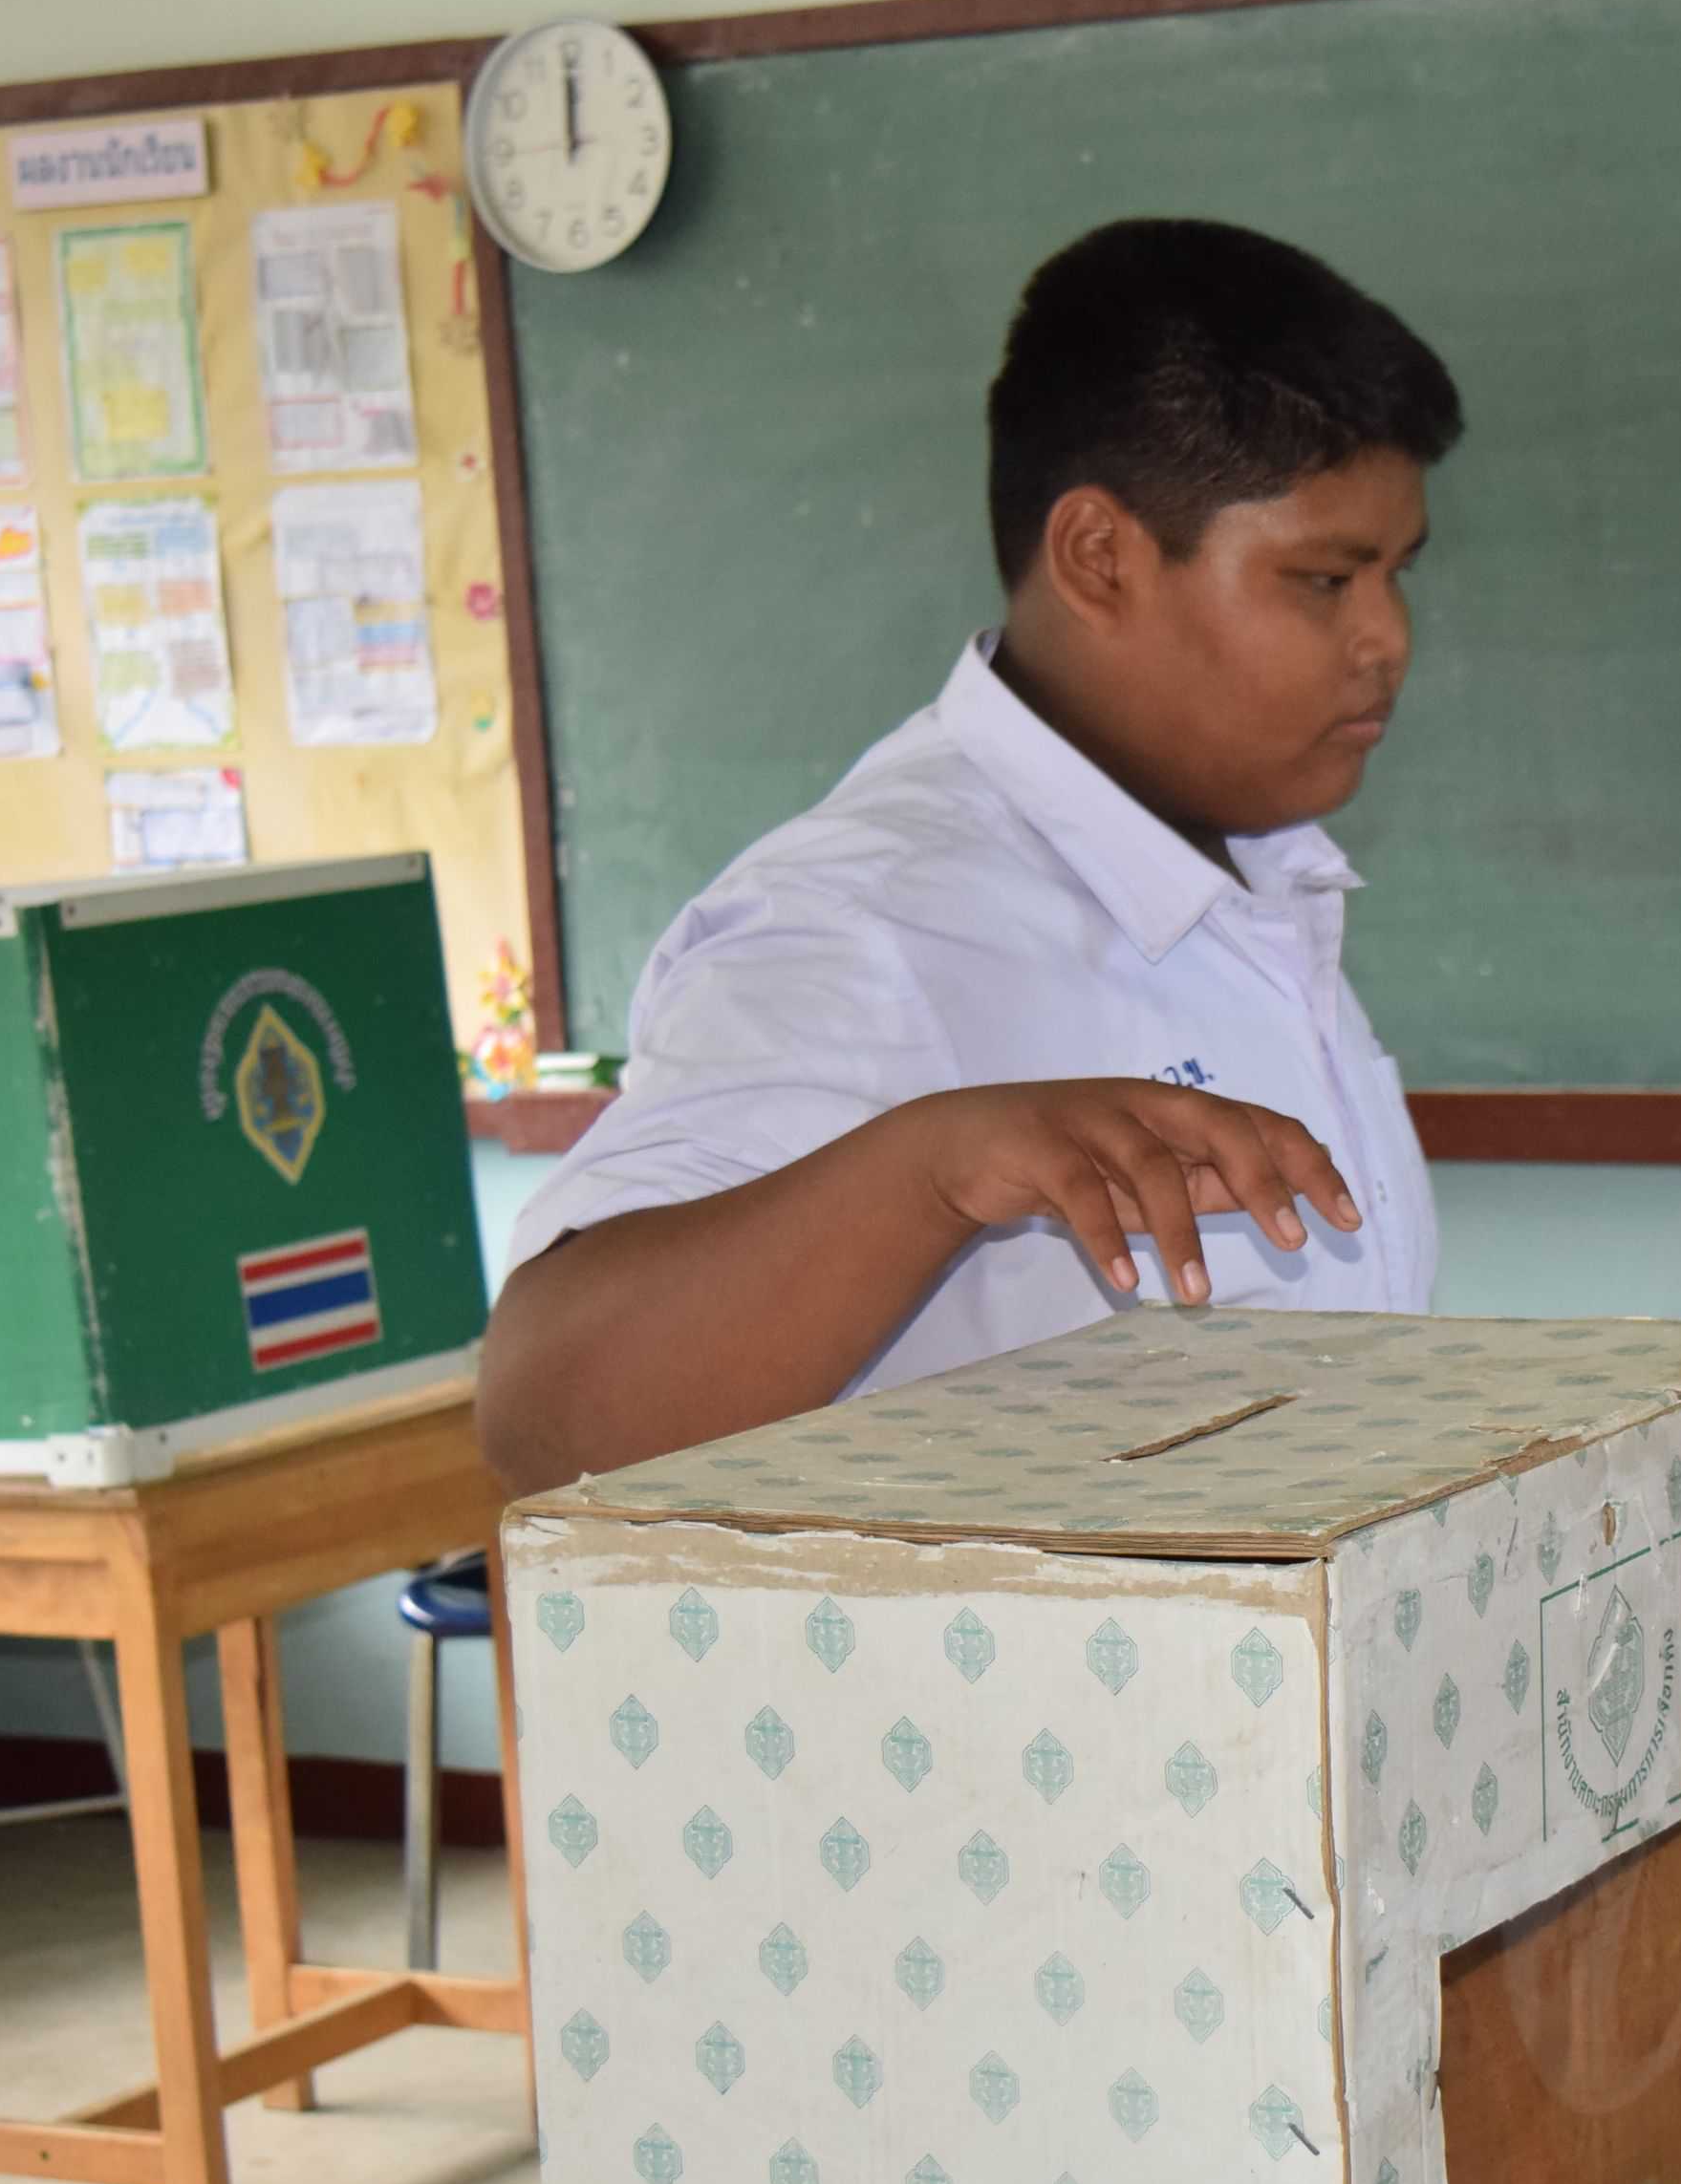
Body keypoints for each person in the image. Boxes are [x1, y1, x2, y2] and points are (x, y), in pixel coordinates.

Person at [478, 218, 1463, 1491]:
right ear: (1100, 559)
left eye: (1398, 575)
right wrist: (928, 1173)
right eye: (1327, 580)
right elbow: (546, 1420)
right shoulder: (864, 924)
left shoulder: (1258, 869)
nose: (1389, 639)